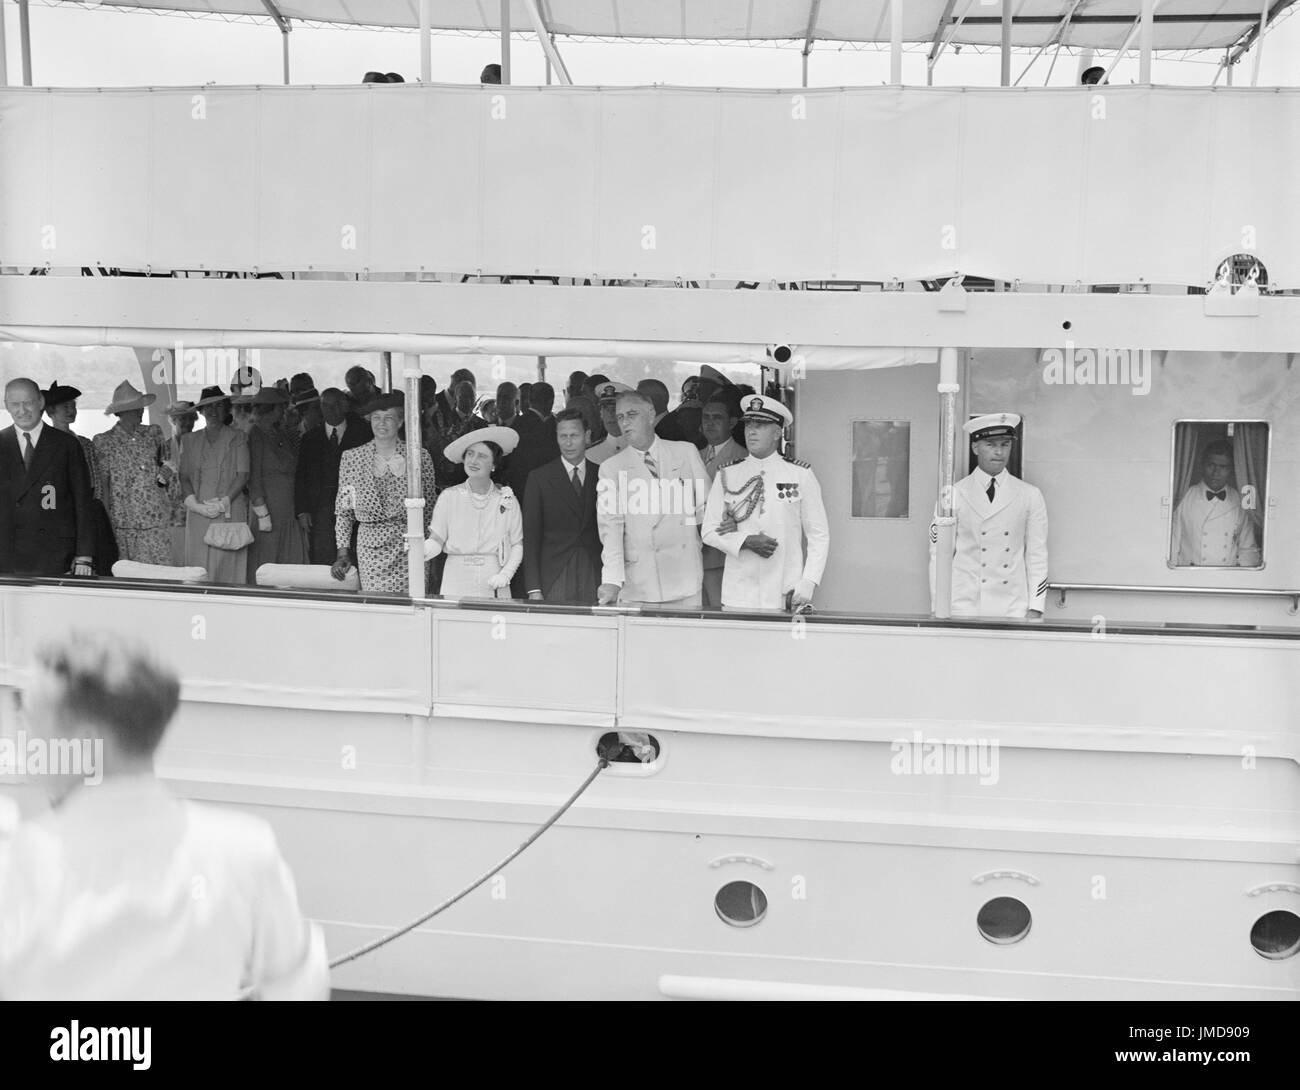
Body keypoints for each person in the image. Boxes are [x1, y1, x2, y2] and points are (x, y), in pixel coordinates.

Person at [0, 632, 328, 1000]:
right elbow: (297, 987)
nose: (19, 739)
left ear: (84, 740)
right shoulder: (243, 851)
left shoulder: (19, 864)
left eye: (28, 721)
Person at [701, 396, 827, 612]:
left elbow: (818, 534)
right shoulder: (728, 473)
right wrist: (746, 541)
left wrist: (808, 581)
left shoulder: (800, 474)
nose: (751, 431)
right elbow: (709, 531)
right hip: (739, 592)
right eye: (749, 424)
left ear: (777, 433)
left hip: (784, 588)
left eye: (760, 426)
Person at [928, 413, 1048, 620]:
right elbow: (939, 555)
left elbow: (1037, 555)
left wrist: (1036, 607)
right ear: (975, 448)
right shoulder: (953, 494)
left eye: (1005, 444)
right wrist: (939, 606)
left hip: (1012, 605)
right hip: (964, 605)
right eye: (991, 445)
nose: (999, 452)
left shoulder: (1030, 495)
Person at [596, 390, 709, 608]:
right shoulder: (611, 468)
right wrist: (611, 579)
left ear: (650, 413)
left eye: (631, 414)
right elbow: (610, 529)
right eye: (620, 417)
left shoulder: (685, 452)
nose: (625, 422)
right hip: (639, 581)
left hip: (683, 574)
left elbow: (707, 509)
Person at [332, 391, 436, 593]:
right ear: (369, 420)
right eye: (377, 418)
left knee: (411, 608)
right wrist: (342, 553)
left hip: (411, 547)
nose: (382, 423)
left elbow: (430, 509)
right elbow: (344, 512)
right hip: (371, 551)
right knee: (377, 609)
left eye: (389, 418)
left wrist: (430, 550)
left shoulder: (420, 456)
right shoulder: (351, 458)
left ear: (400, 422)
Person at [0, 378, 94, 577]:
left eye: (28, 403)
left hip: (56, 554)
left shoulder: (67, 445)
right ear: (6, 405)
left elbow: (83, 502)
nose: (22, 410)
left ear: (41, 402)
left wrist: (84, 554)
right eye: (15, 404)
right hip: (7, 553)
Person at [423, 426, 523, 599]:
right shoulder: (449, 497)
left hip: (493, 577)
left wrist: (505, 574)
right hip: (456, 577)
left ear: (494, 464)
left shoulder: (507, 499)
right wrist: (420, 549)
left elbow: (517, 544)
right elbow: (437, 540)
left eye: (482, 456)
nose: (473, 460)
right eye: (470, 454)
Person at [523, 408, 601, 605]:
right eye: (562, 436)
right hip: (554, 572)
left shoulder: (602, 474)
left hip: (593, 571)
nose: (568, 443)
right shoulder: (539, 478)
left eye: (574, 435)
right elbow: (530, 536)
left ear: (588, 436)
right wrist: (534, 588)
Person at [93, 381, 173, 567]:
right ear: (121, 412)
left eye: (141, 407)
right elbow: (104, 486)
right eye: (135, 408)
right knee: (129, 576)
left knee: (162, 575)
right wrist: (107, 523)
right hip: (124, 524)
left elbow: (166, 466)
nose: (141, 411)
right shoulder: (104, 441)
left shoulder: (153, 433)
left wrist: (165, 475)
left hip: (156, 520)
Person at [44, 381, 118, 576]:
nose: (71, 410)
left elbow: (97, 481)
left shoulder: (84, 443)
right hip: (59, 515)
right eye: (65, 406)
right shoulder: (44, 445)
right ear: (50, 411)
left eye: (74, 406)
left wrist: (98, 509)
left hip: (87, 511)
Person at [179, 386, 250, 583]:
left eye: (218, 406)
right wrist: (194, 504)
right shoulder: (189, 439)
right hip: (199, 512)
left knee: (229, 567)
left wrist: (224, 502)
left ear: (227, 409)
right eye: (208, 407)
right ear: (200, 411)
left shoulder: (239, 437)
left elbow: (243, 474)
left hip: (229, 509)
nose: (213, 411)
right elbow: (183, 476)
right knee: (198, 568)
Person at [295, 388, 372, 565]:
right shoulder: (310, 438)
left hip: (356, 505)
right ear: (320, 408)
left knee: (355, 555)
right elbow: (301, 476)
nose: (332, 409)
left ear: (345, 405)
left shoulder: (364, 432)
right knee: (323, 555)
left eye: (337, 404)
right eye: (326, 405)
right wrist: (302, 510)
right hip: (320, 507)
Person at [1170, 439, 1261, 567]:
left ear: (1231, 470)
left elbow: (1248, 548)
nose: (1216, 473)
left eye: (1223, 467)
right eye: (1211, 465)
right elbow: (1172, 545)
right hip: (1189, 577)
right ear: (1202, 465)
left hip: (1227, 578)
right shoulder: (1184, 496)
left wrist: (1240, 578)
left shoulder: (1241, 499)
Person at [247, 387, 308, 576]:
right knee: (267, 559)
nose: (284, 412)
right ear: (272, 409)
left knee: (289, 562)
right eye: (281, 408)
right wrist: (262, 513)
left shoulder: (280, 433)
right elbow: (253, 476)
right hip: (268, 510)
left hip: (287, 508)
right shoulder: (255, 434)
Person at [699, 394, 747, 609]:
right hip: (693, 551)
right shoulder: (694, 454)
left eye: (717, 418)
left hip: (720, 554)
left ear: (732, 422)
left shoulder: (743, 458)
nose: (709, 423)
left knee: (719, 610)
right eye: (705, 417)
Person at [431, 379, 488, 491]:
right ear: (456, 398)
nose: (468, 400)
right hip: (447, 482)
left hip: (474, 481)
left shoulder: (482, 425)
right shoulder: (442, 421)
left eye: (471, 396)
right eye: (464, 396)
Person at [507, 380, 559, 498]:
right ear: (551, 401)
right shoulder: (553, 426)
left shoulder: (517, 424)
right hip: (548, 490)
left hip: (522, 491)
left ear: (529, 400)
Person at [587, 380, 632, 465]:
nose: (611, 414)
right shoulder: (589, 455)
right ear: (601, 413)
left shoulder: (643, 450)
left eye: (615, 408)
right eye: (606, 408)